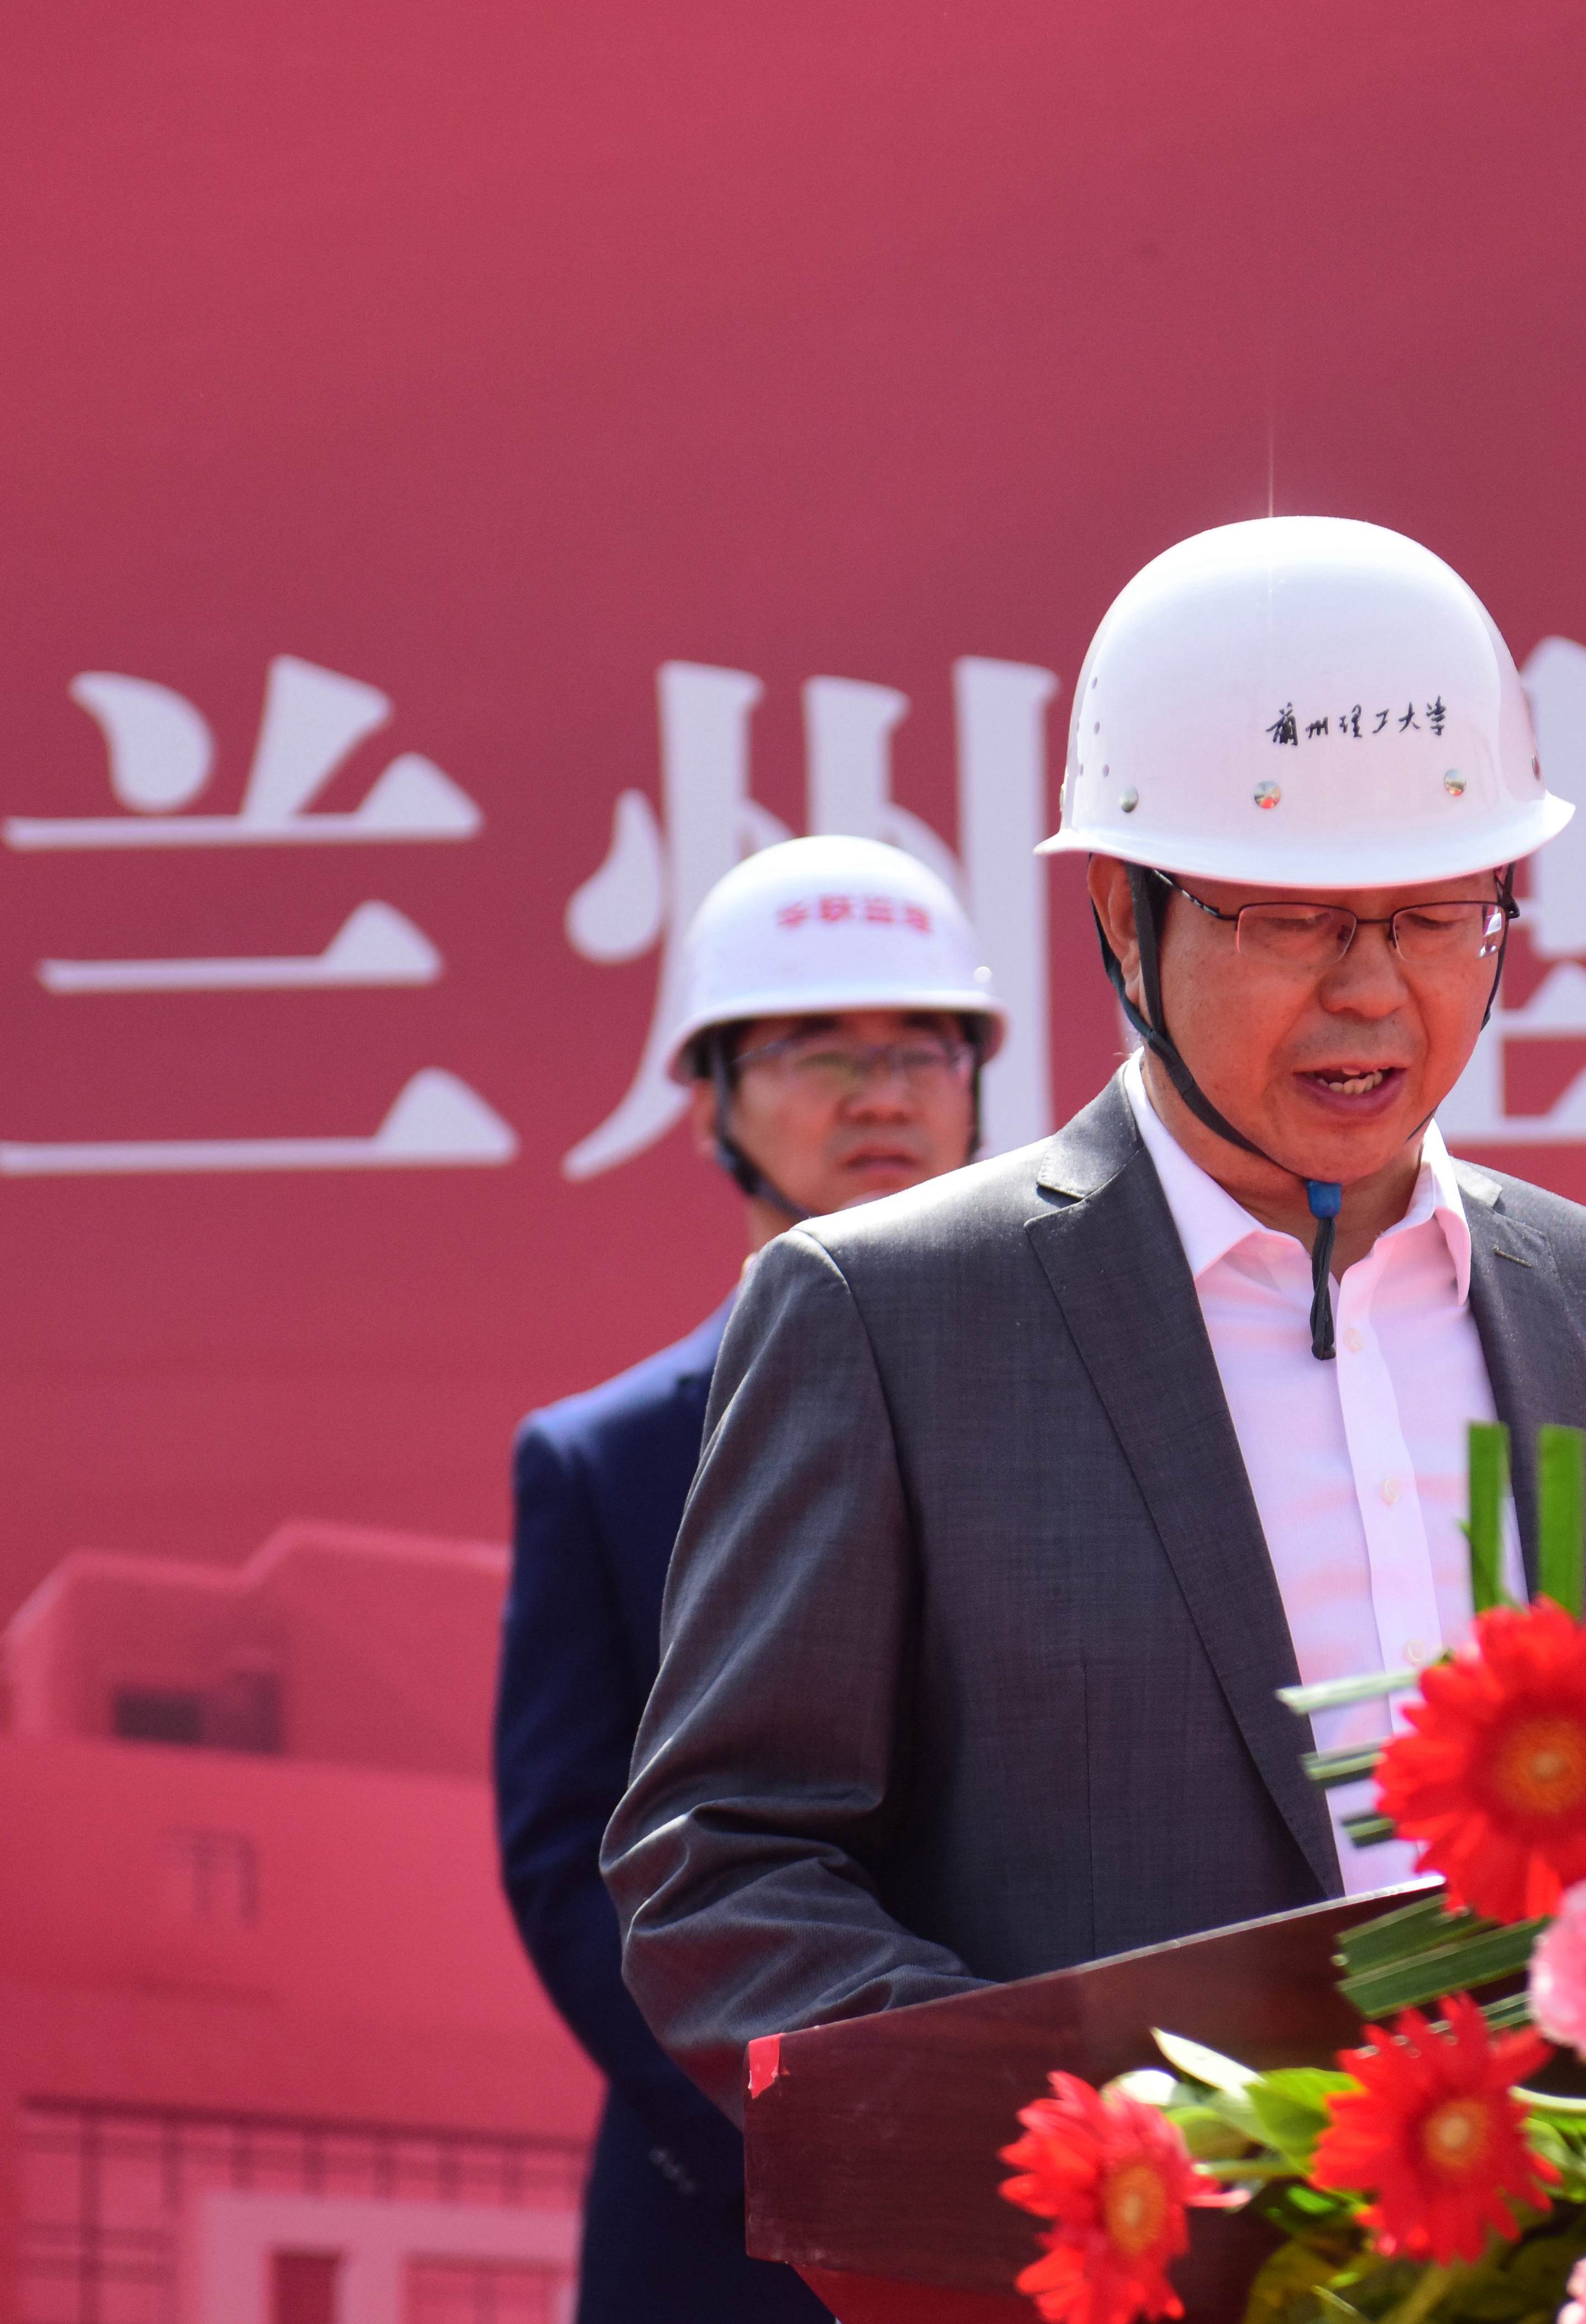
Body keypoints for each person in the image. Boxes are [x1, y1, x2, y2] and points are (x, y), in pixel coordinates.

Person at [601, 515, 1586, 2115]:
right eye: (1292, 921)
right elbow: (724, 1871)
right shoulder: (894, 1320)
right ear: (1125, 919)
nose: (1371, 990)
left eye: (1434, 916)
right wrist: (1071, 2135)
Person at [495, 833, 1003, 2324]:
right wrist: (791, 2139)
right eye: (815, 1048)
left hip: (1054, 2178)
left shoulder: (1095, 1407)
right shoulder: (602, 1459)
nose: (879, 1092)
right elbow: (570, 1862)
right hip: (726, 2223)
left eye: (922, 1046)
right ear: (711, 1096)